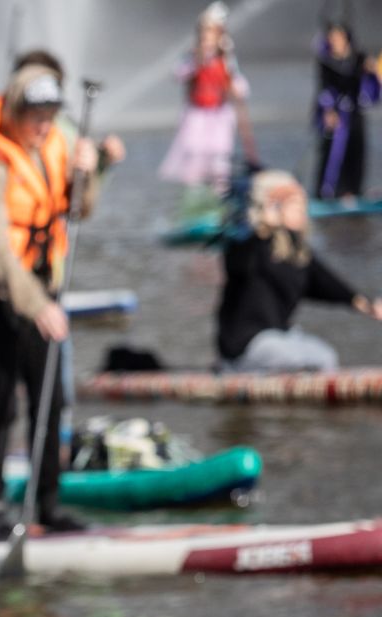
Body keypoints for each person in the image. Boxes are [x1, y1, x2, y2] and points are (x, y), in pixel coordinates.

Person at [0, 65, 114, 540]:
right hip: (0, 295)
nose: (44, 126)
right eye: (35, 116)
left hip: (41, 290)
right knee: (0, 402)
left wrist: (93, 171)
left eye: (50, 116)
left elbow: (76, 208)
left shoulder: (50, 150)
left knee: (51, 398)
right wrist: (37, 305)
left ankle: (48, 504)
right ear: (14, 113)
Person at [216, 169, 382, 372]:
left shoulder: (296, 252)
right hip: (245, 345)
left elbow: (326, 283)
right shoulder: (250, 246)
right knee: (293, 358)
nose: (303, 209)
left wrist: (366, 304)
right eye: (296, 204)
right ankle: (232, 370)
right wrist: (266, 216)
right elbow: (237, 261)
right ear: (275, 207)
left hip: (280, 335)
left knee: (326, 357)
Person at [160, 4, 248, 198]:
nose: (207, 40)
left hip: (218, 116)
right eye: (204, 35)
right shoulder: (192, 58)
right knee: (194, 159)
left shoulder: (226, 60)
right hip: (196, 116)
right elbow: (178, 74)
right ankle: (193, 200)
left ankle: (220, 199)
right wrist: (197, 61)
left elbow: (240, 87)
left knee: (219, 161)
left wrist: (230, 77)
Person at [312, 21, 379, 203]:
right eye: (331, 38)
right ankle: (327, 193)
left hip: (355, 113)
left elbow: (371, 86)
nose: (334, 41)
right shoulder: (326, 61)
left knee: (357, 151)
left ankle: (353, 191)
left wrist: (373, 72)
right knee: (332, 154)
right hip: (336, 114)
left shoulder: (359, 58)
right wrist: (328, 111)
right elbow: (324, 89)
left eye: (338, 37)